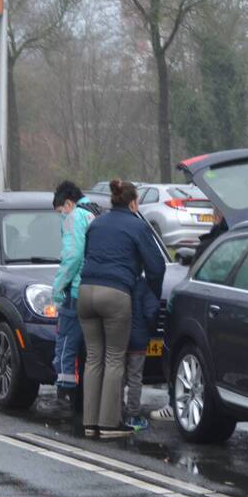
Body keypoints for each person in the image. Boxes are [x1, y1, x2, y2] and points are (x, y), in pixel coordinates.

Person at [78, 180, 165, 438]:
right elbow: (157, 266)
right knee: (115, 358)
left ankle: (90, 423)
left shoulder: (96, 224)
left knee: (93, 358)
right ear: (133, 203)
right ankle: (109, 424)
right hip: (115, 294)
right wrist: (150, 292)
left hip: (86, 292)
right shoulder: (137, 226)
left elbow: (87, 255)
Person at [150, 207, 226, 422]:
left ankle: (174, 404)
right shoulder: (237, 240)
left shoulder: (216, 245)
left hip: (207, 310)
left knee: (186, 352)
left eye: (214, 212)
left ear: (218, 216)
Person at [50, 181, 100, 404]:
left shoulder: (74, 216)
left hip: (77, 290)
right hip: (99, 289)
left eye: (60, 211)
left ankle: (65, 392)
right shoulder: (96, 212)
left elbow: (72, 257)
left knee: (66, 342)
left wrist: (58, 287)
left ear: (68, 204)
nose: (61, 217)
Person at [123, 276, 159, 431]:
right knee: (135, 377)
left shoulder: (120, 281)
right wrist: (148, 330)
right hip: (138, 339)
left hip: (119, 337)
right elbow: (152, 311)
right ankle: (133, 413)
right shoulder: (143, 285)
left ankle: (116, 410)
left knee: (118, 374)